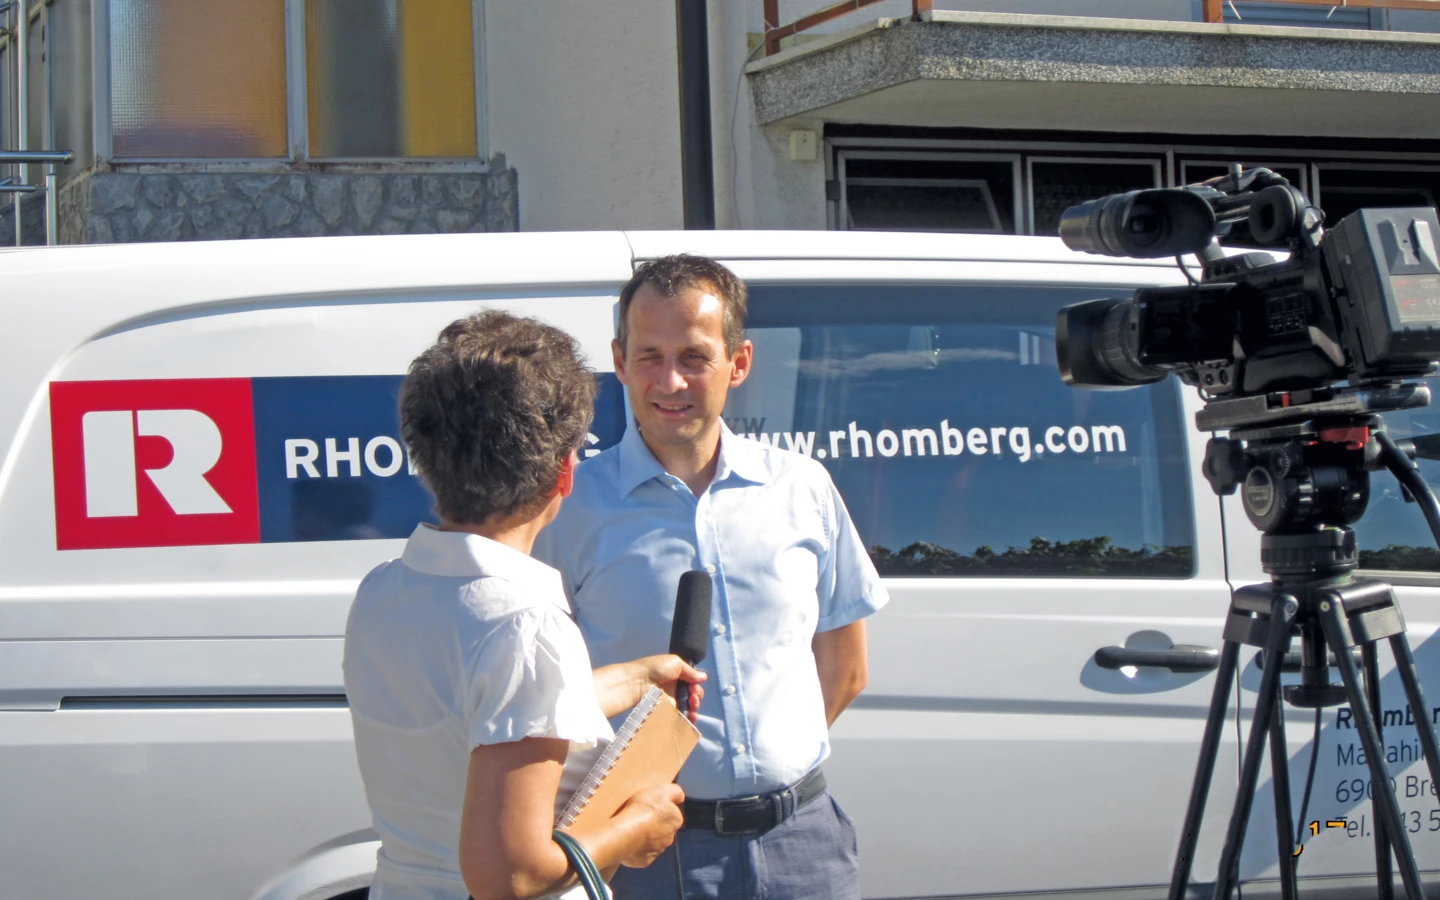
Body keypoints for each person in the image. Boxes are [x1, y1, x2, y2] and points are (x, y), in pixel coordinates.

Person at [534, 256, 889, 900]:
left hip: (802, 845)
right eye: (649, 356)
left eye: (694, 356)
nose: (670, 381)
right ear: (618, 362)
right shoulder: (568, 508)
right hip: (648, 856)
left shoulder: (802, 488)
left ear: (739, 362)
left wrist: (764, 770)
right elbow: (541, 690)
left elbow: (846, 667)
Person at [343, 309, 707, 900]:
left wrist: (637, 678)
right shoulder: (526, 626)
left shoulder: (385, 589)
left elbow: (476, 714)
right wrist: (636, 828)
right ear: (565, 472)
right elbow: (510, 874)